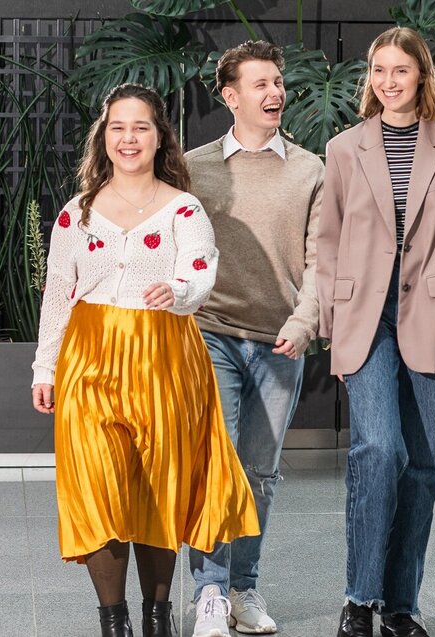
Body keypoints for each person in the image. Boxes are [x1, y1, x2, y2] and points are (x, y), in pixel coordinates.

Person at [30, 83, 258, 637]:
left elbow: (201, 270)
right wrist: (45, 367)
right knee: (99, 484)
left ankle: (158, 618)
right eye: (117, 127)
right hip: (91, 359)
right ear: (102, 137)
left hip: (164, 357)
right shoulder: (75, 215)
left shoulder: (183, 208)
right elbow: (58, 293)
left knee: (160, 483)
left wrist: (178, 291)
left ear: (160, 138)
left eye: (141, 128)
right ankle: (115, 622)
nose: (128, 138)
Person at [315, 26, 435, 637]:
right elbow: (327, 241)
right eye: (379, 71)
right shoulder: (344, 150)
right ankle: (359, 598)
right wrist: (327, 318)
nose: (388, 82)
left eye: (400, 70)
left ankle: (399, 607)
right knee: (378, 449)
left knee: (421, 464)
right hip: (364, 317)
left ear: (422, 76)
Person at [183, 41, 324, 637]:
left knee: (260, 472)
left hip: (280, 340)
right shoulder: (193, 167)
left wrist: (303, 321)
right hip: (209, 333)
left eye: (278, 82)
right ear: (230, 95)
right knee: (217, 463)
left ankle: (244, 588)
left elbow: (324, 259)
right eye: (260, 84)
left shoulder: (310, 169)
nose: (275, 94)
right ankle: (210, 592)